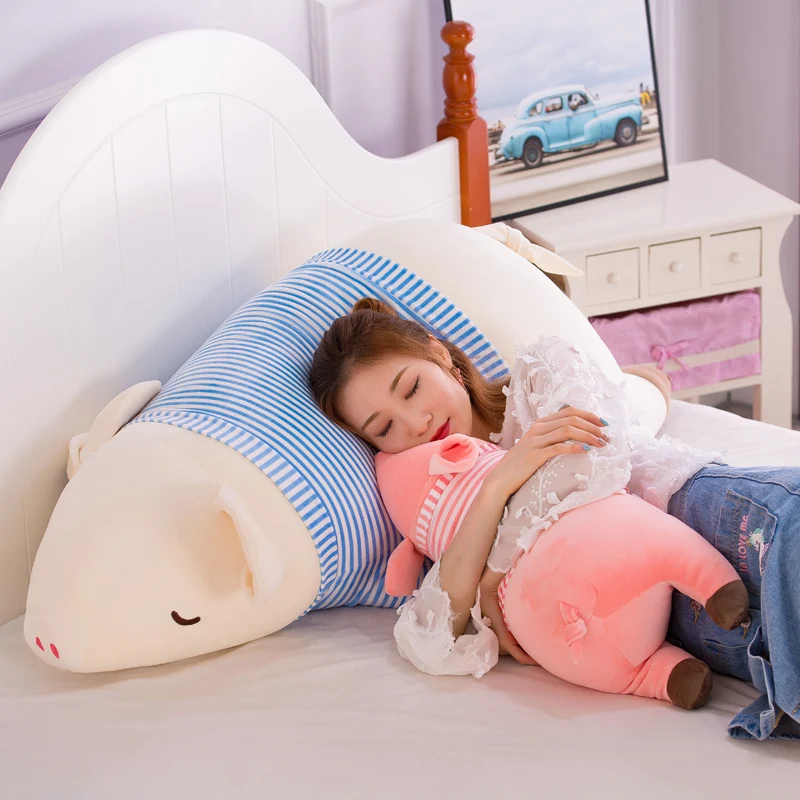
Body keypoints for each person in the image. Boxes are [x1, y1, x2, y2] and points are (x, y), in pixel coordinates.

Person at [309, 297, 800, 741]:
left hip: (693, 510)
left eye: (412, 389)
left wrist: (492, 571)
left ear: (440, 355)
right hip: (666, 626)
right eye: (385, 428)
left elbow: (591, 463)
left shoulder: (540, 374)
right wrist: (495, 489)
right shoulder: (439, 509)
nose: (415, 423)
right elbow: (431, 638)